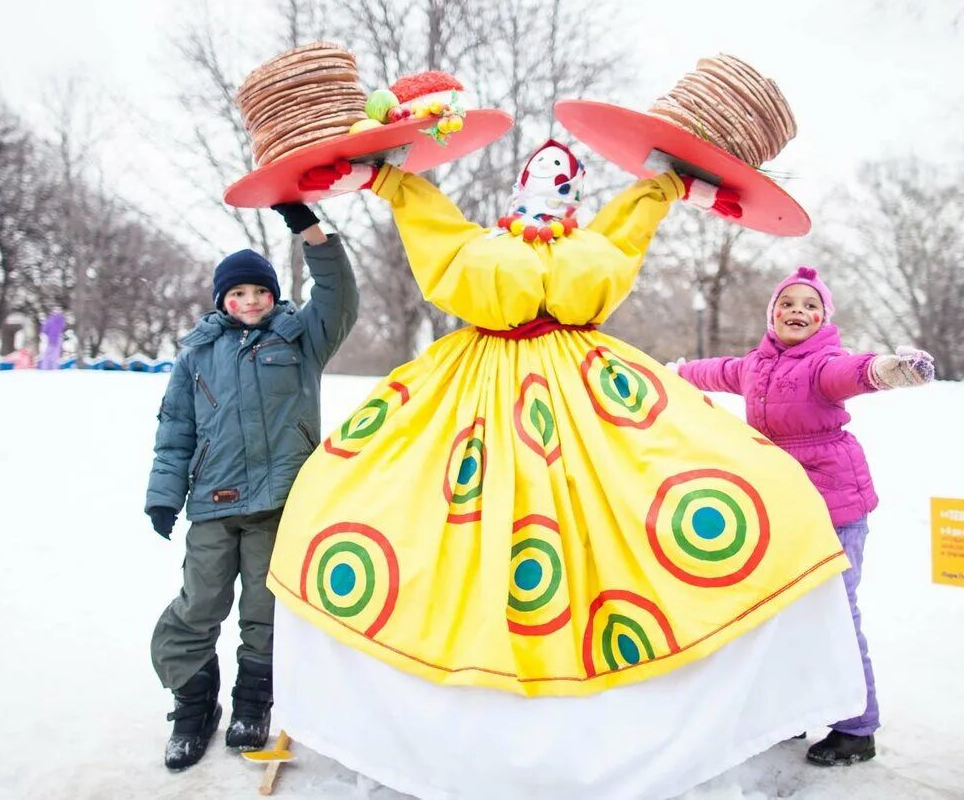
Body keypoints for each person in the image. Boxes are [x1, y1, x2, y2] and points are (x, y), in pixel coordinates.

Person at [263, 144, 869, 799]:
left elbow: (634, 221)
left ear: (577, 193)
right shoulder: (481, 244)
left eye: (565, 176)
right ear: (518, 186)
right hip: (471, 393)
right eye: (541, 173)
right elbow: (430, 223)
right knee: (414, 514)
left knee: (641, 507)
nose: (552, 181)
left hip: (592, 391)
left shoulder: (593, 243)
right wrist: (384, 178)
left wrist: (671, 187)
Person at [674, 265, 935, 766]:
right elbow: (714, 371)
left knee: (836, 611)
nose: (798, 311)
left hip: (836, 504)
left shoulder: (822, 365)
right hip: (785, 505)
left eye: (810, 306)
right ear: (772, 314)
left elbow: (856, 372)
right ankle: (794, 712)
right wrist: (670, 373)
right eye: (788, 304)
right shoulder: (756, 365)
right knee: (784, 611)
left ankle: (857, 729)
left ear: (823, 319)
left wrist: (894, 371)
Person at [143, 202, 359, 771]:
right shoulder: (197, 354)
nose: (250, 302)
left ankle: (251, 704)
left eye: (259, 292)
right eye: (236, 294)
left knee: (265, 612)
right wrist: (164, 493)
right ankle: (193, 707)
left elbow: (339, 296)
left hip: (278, 505)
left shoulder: (300, 339)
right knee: (198, 606)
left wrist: (308, 231)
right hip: (212, 505)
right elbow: (176, 429)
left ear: (272, 294)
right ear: (221, 300)